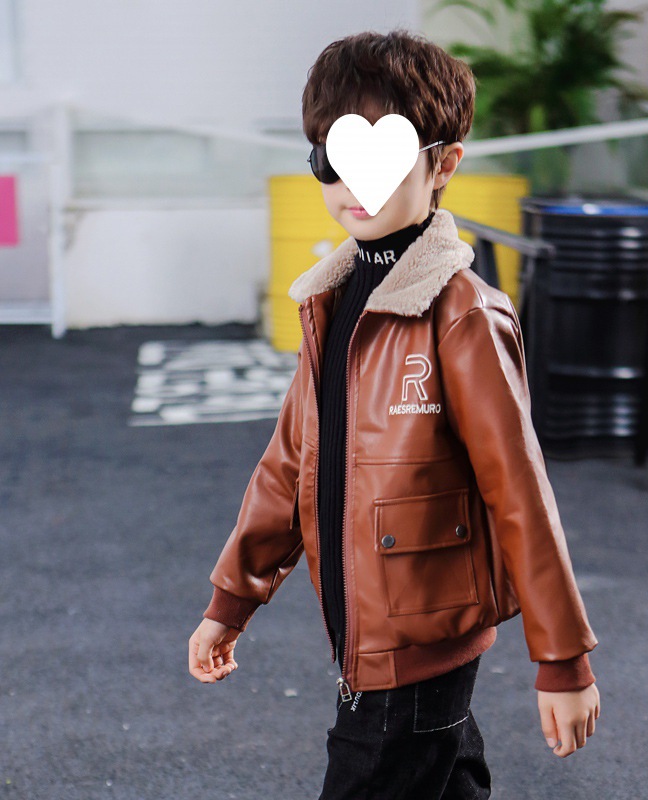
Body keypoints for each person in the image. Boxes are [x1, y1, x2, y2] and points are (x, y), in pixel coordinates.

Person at [188, 29, 600, 799]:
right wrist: (232, 599)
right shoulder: (333, 301)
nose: (356, 184)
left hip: (416, 640)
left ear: (444, 164)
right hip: (369, 632)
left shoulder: (461, 314)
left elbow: (519, 491)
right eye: (333, 159)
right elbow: (288, 465)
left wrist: (563, 658)